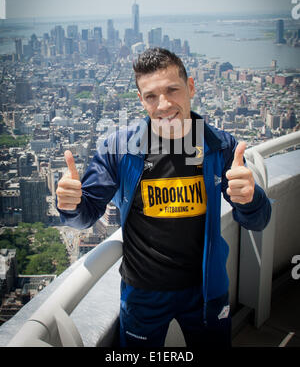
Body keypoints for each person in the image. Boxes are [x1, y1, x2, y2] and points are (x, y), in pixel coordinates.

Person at [56, 47, 271, 348]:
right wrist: (70, 204)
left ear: (191, 87)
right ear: (141, 100)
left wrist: (250, 199)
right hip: (143, 292)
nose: (165, 104)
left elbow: (259, 221)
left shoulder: (218, 146)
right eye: (151, 96)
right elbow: (86, 214)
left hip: (206, 289)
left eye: (173, 90)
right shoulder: (120, 148)